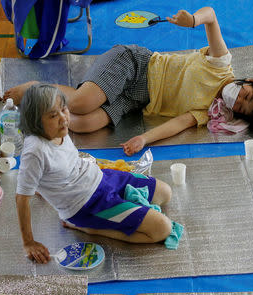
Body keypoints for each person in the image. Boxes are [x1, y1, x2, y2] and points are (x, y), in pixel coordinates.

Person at [5, 7, 253, 157]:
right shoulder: (220, 64)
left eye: (242, 107)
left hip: (135, 100)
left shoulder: (208, 112)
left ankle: (34, 109)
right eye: (248, 95)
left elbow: (177, 124)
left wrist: (143, 139)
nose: (238, 99)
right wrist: (194, 21)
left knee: (82, 124)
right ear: (249, 81)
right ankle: (34, 89)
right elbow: (211, 15)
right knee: (82, 103)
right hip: (134, 65)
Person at [16, 84, 174, 264]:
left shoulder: (57, 129)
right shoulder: (34, 151)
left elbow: (47, 173)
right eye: (53, 115)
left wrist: (42, 187)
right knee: (162, 229)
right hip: (86, 204)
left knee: (165, 193)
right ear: (35, 121)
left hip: (101, 178)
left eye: (64, 109)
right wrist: (28, 243)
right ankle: (89, 228)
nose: (63, 118)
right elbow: (21, 198)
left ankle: (122, 213)